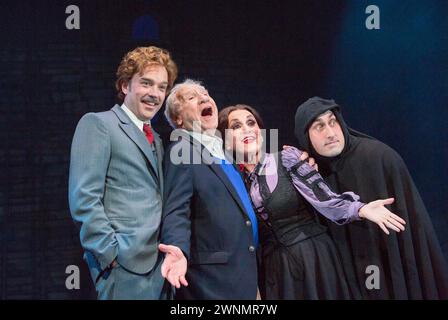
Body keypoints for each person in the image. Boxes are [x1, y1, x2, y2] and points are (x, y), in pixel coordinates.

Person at [217, 104, 405, 299]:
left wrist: (361, 209)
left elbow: (323, 196)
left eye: (251, 122)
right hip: (275, 271)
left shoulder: (286, 159)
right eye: (236, 126)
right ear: (227, 141)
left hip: (312, 259)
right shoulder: (233, 183)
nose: (247, 129)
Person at [294, 96, 448, 299]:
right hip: (343, 274)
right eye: (319, 126)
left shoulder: (379, 158)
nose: (330, 133)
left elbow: (414, 234)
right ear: (305, 136)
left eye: (333, 122)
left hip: (384, 266)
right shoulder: (309, 172)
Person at [68, 46, 178, 299]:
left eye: (162, 87)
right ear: (126, 86)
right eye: (147, 84)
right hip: (123, 266)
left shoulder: (157, 139)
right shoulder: (98, 124)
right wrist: (110, 254)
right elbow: (83, 198)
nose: (155, 94)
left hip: (159, 267)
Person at [159, 79, 262, 299]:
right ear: (178, 119)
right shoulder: (182, 150)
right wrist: (178, 250)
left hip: (245, 272)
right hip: (215, 282)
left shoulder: (222, 152)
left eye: (205, 93)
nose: (204, 98)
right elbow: (177, 210)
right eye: (192, 97)